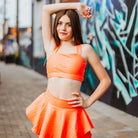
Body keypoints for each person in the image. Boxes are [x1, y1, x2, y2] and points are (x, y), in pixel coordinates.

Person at [26, 2, 111, 138]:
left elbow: (105, 80)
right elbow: (46, 9)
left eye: (68, 24)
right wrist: (76, 6)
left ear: (75, 27)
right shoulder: (51, 46)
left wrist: (88, 102)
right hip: (50, 109)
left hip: (71, 112)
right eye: (59, 23)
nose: (63, 28)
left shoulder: (85, 50)